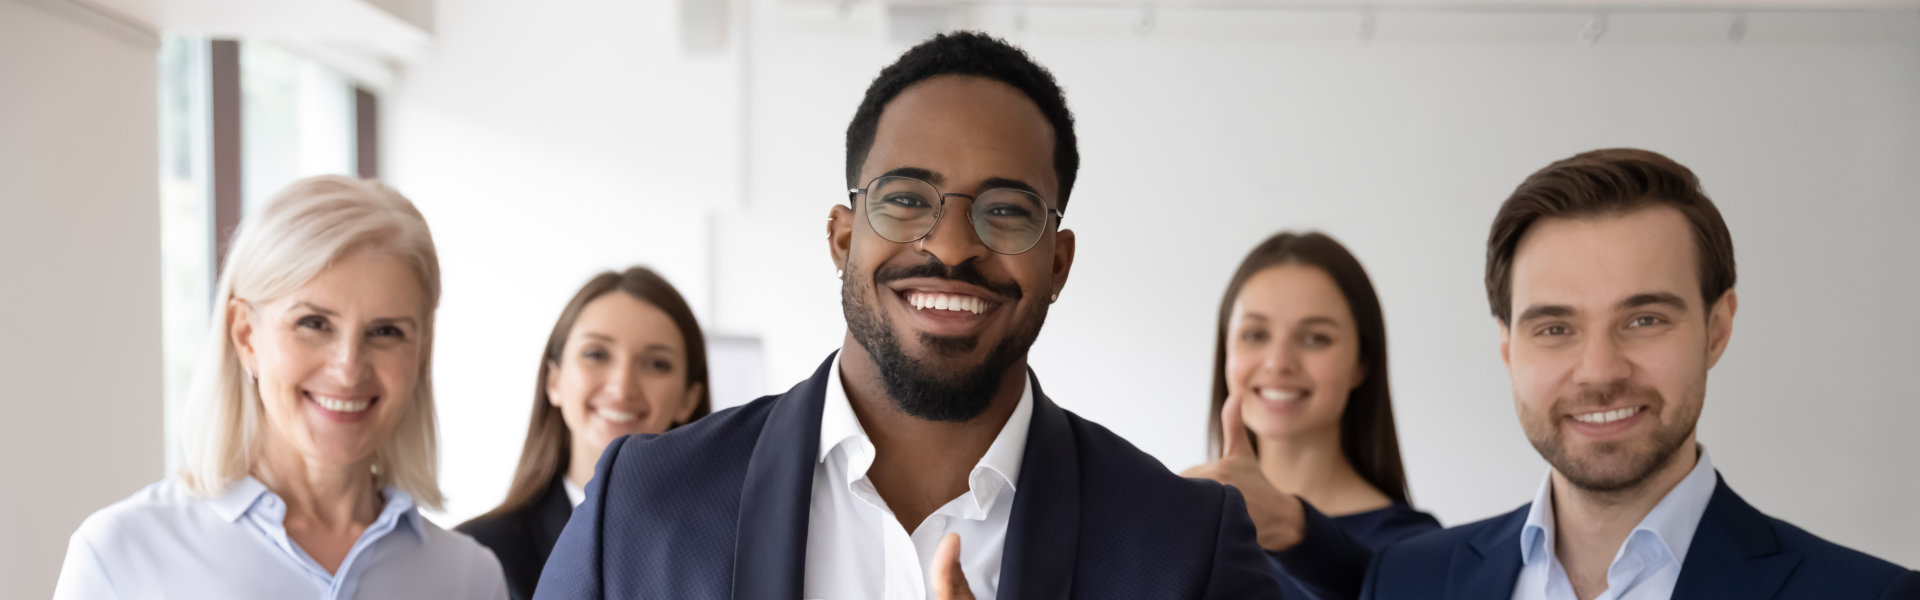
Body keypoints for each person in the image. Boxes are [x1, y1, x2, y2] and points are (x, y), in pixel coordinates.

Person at [533, 31, 1282, 599]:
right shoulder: (645, 502)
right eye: (905, 199)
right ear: (842, 236)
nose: (952, 246)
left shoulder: (1186, 545)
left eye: (1007, 211)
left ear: (1058, 264)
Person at [1258, 148, 1920, 600]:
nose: (1599, 371)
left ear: (1717, 328)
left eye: (1644, 320)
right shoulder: (1408, 581)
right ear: (1509, 348)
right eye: (1555, 328)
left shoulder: (1869, 596)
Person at [52, 175, 507, 599]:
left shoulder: (471, 578)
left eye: (385, 331)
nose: (349, 369)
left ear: (421, 349)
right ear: (246, 335)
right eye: (313, 323)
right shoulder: (121, 555)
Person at [1182, 231, 1440, 598]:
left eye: (1315, 338)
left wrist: (1295, 530)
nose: (1278, 363)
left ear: (1361, 363)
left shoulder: (1421, 550)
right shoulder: (1194, 522)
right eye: (1255, 334)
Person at [457, 267, 711, 600]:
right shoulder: (479, 557)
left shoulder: (729, 553)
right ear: (554, 381)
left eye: (656, 364)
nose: (622, 387)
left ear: (688, 398)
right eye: (596, 354)